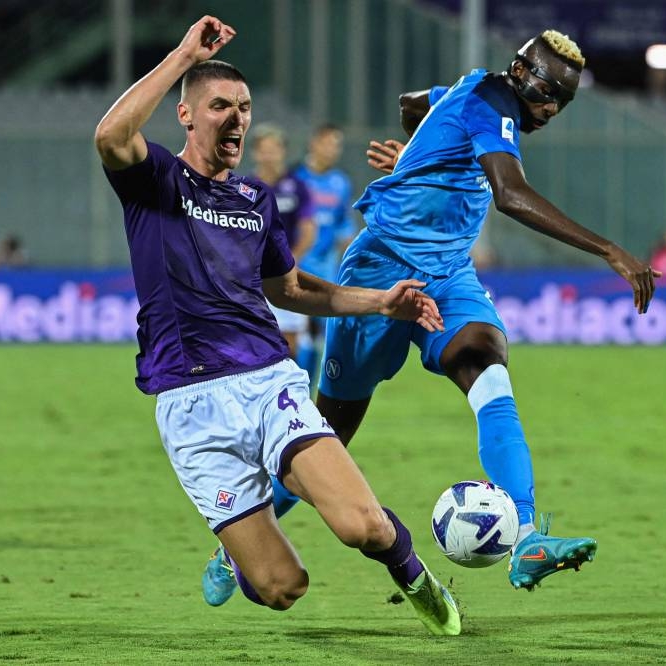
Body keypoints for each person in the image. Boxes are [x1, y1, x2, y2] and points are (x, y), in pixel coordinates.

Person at [93, 16, 459, 635]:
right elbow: (110, 134)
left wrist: (381, 302)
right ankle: (239, 555)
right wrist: (183, 56)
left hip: (267, 383)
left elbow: (291, 289)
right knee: (282, 587)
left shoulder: (255, 200)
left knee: (362, 527)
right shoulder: (156, 181)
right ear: (186, 116)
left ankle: (415, 576)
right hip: (189, 407)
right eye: (219, 106)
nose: (236, 118)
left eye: (244, 107)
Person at [274, 30, 662, 591]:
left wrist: (419, 157)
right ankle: (243, 540)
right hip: (381, 269)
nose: (551, 109)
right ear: (522, 76)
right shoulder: (492, 101)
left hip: (449, 273)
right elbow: (510, 194)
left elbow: (414, 105)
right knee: (330, 433)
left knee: (488, 364)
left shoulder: (474, 90)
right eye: (548, 93)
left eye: (563, 100)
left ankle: (526, 538)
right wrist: (608, 250)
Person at [291, 124, 356, 386]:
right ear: (314, 143)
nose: (333, 150)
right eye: (328, 143)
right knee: (298, 333)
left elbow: (344, 224)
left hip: (327, 268)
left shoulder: (341, 183)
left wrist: (348, 255)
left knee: (325, 335)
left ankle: (316, 391)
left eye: (337, 145)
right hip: (297, 265)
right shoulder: (296, 179)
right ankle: (296, 390)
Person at [249, 123, 316, 358]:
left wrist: (291, 260)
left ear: (283, 152)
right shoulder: (244, 188)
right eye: (264, 150)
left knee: (290, 344)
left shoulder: (297, 187)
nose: (269, 155)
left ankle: (293, 380)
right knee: (255, 341)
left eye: (273, 149)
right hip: (252, 277)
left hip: (287, 276)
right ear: (255, 153)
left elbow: (308, 229)